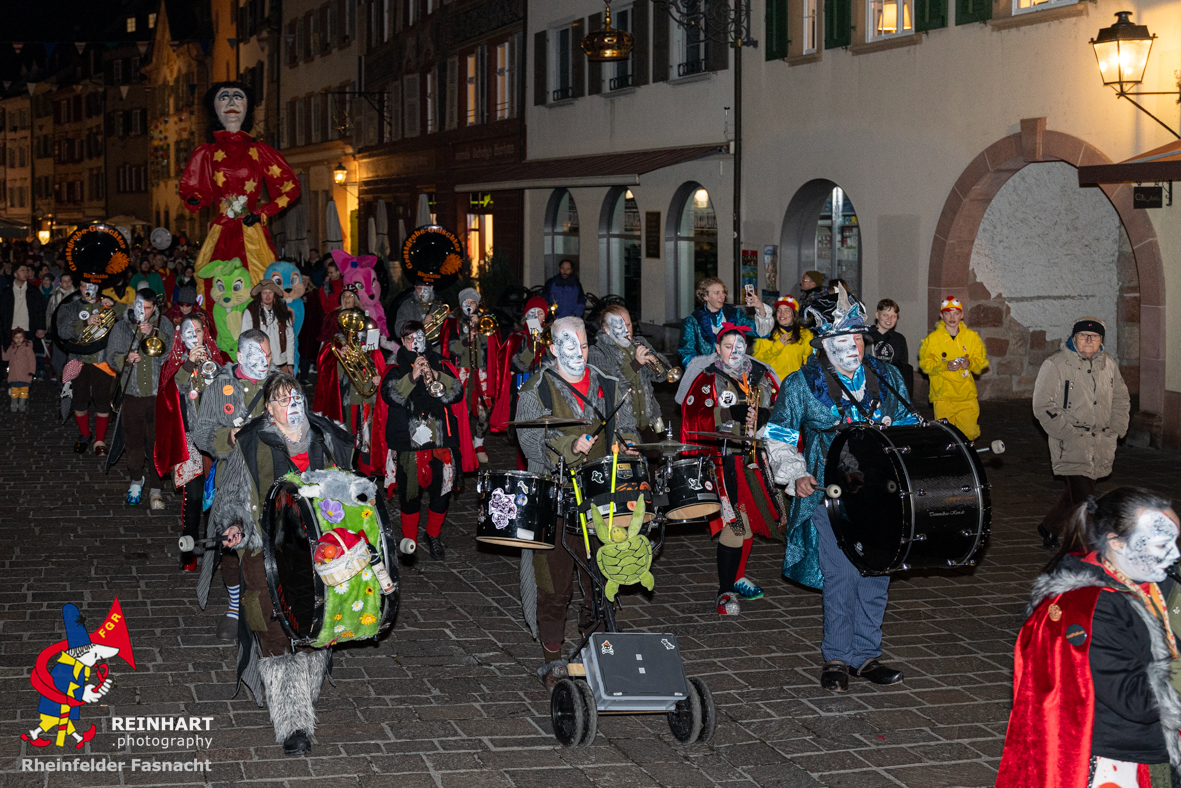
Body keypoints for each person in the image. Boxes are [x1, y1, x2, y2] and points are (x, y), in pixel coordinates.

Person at [762, 286, 918, 691]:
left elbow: (907, 425)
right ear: (824, 344)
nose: (852, 347)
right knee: (842, 575)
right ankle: (835, 657)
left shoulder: (888, 377)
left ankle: (865, 656)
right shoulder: (802, 383)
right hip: (827, 495)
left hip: (881, 495)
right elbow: (777, 435)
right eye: (842, 340)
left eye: (856, 339)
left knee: (876, 572)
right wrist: (795, 472)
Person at [995, 487, 1181, 788]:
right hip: (1119, 761)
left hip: (1150, 746)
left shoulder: (1145, 586)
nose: (1175, 555)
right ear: (1117, 543)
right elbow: (1137, 699)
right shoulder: (1091, 609)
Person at [209, 372, 354, 755]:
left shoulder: (326, 439)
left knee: (312, 630)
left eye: (296, 397)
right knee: (272, 630)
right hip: (266, 551)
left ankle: (301, 699)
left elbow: (350, 494)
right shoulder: (252, 443)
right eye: (281, 399)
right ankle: (293, 727)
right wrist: (235, 527)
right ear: (269, 409)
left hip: (318, 553)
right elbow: (230, 499)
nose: (291, 405)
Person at [514, 316, 641, 689]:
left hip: (602, 497)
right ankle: (553, 658)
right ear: (553, 348)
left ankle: (600, 646)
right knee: (554, 583)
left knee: (603, 577)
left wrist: (626, 443)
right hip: (555, 498)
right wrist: (568, 448)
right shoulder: (536, 390)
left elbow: (629, 427)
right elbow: (530, 443)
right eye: (570, 346)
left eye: (584, 346)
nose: (579, 353)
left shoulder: (609, 384)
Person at [677, 322, 782, 615]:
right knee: (734, 525)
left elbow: (785, 411)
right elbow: (693, 417)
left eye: (739, 346)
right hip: (723, 463)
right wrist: (727, 412)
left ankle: (737, 578)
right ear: (717, 349)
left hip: (757, 462)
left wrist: (765, 416)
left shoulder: (762, 375)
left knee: (746, 526)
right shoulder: (707, 378)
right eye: (727, 346)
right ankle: (725, 590)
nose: (734, 352)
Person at [180, 82, 300, 301]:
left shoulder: (260, 151)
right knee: (214, 280)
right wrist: (194, 199)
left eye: (238, 96)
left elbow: (291, 187)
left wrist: (264, 212)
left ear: (247, 107)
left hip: (251, 229)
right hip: (222, 231)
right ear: (214, 108)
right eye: (224, 97)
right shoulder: (206, 153)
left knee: (259, 279)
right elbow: (193, 191)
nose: (232, 101)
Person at [193, 329, 272, 640]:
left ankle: (269, 605)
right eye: (256, 356)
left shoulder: (280, 383)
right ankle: (234, 607)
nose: (264, 362)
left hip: (270, 475)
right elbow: (201, 433)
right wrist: (228, 437)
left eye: (267, 355)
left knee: (269, 543)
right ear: (240, 357)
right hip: (233, 478)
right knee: (231, 542)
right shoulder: (220, 386)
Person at [1032, 317, 1131, 550]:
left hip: (1101, 442)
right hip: (1072, 441)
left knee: (1075, 495)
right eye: (1083, 336)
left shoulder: (1108, 364)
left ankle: (1049, 527)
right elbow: (1042, 404)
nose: (1089, 340)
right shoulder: (1056, 364)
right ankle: (1085, 548)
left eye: (1094, 336)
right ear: (1073, 338)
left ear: (1100, 341)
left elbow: (1121, 397)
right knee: (1086, 502)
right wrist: (1066, 433)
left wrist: (1117, 427)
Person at [380, 321, 466, 561]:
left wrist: (435, 374)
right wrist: (413, 375)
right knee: (410, 494)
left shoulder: (440, 363)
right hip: (409, 443)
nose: (413, 343)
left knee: (442, 492)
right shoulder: (394, 368)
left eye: (417, 338)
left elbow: (456, 392)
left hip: (440, 440)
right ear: (402, 341)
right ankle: (410, 540)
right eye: (408, 339)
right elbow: (391, 396)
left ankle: (433, 535)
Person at [155, 312, 226, 570]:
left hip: (214, 439)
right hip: (188, 438)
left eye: (197, 331)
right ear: (179, 335)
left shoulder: (217, 358)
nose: (194, 336)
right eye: (188, 332)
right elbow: (174, 388)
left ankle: (213, 551)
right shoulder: (173, 361)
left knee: (215, 498)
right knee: (194, 496)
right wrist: (187, 365)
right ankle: (189, 550)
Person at [106, 290, 175, 508]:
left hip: (158, 396)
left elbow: (172, 356)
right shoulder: (121, 326)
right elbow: (111, 356)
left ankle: (156, 489)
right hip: (132, 395)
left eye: (147, 308)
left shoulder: (165, 325)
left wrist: (154, 333)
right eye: (139, 307)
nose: (142, 312)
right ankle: (136, 480)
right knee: (133, 441)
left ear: (154, 307)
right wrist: (124, 359)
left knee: (157, 444)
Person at [311, 304, 388, 477]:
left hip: (367, 400)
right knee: (348, 437)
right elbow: (330, 375)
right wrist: (341, 357)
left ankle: (367, 475)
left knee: (366, 440)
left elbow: (379, 367)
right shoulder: (337, 344)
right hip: (347, 400)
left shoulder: (371, 344)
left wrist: (377, 375)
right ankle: (346, 471)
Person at [58, 282, 123, 455]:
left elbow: (130, 316)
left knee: (102, 401)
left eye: (92, 285)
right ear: (78, 287)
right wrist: (85, 322)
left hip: (103, 361)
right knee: (79, 400)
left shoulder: (106, 304)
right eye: (84, 285)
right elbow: (62, 331)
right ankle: (84, 434)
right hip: (79, 360)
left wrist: (114, 305)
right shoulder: (70, 306)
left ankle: (100, 440)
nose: (88, 289)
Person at [589, 304, 670, 435]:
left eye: (629, 325)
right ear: (606, 329)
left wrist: (657, 363)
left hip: (646, 421)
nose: (627, 331)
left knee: (654, 454)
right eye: (620, 327)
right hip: (620, 426)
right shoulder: (598, 351)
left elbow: (660, 377)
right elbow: (611, 383)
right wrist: (636, 363)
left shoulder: (640, 342)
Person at [918, 296, 988, 441]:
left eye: (956, 313)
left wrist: (970, 364)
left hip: (966, 396)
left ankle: (968, 461)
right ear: (941, 315)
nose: (952, 317)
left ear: (962, 315)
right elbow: (925, 364)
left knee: (969, 434)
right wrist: (945, 365)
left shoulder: (971, 337)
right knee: (946, 435)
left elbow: (981, 361)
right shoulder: (932, 340)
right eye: (948, 313)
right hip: (943, 397)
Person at [448, 287, 503, 465]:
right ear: (461, 304)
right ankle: (460, 444)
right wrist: (467, 339)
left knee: (483, 411)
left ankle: (478, 443)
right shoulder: (453, 323)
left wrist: (479, 328)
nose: (469, 305)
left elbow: (491, 346)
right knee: (458, 409)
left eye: (472, 302)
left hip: (481, 372)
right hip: (461, 372)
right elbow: (452, 348)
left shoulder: (485, 321)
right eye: (466, 302)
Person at [677, 277, 772, 369]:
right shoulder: (692, 321)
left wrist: (760, 308)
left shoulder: (735, 315)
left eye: (723, 292)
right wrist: (703, 369)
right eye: (716, 293)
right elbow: (686, 351)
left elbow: (761, 332)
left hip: (732, 371)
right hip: (705, 373)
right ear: (705, 296)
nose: (722, 296)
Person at [751, 295, 814, 383]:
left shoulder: (805, 334)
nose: (782, 313)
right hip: (772, 384)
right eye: (779, 310)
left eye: (787, 310)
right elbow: (758, 363)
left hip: (794, 383)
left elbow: (810, 362)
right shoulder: (766, 333)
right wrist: (777, 346)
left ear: (794, 314)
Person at [240, 280, 295, 375]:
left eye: (270, 292)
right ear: (260, 294)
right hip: (259, 362)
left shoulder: (283, 311)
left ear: (275, 294)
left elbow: (290, 338)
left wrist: (290, 363)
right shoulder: (251, 312)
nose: (267, 296)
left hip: (281, 362)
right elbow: (245, 338)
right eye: (264, 293)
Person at [865, 299, 913, 396]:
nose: (889, 319)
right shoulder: (866, 336)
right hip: (869, 385)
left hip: (890, 387)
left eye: (893, 316)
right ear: (877, 315)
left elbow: (902, 366)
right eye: (885, 315)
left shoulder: (899, 339)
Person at [0, 261, 47, 352]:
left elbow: (41, 310)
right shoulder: (7, 292)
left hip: (29, 329)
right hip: (11, 330)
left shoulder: (34, 291)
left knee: (27, 359)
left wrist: (41, 327)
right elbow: (2, 313)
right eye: (22, 271)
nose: (25, 273)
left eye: (26, 271)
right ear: (15, 274)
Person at [3, 327, 35, 412]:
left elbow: (32, 360)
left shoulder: (27, 348)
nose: (18, 339)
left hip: (24, 374)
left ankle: (22, 404)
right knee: (14, 390)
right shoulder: (11, 348)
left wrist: (31, 371)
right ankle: (13, 404)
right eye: (16, 338)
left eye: (20, 337)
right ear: (13, 339)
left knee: (24, 391)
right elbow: (6, 357)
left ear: (23, 338)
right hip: (14, 374)